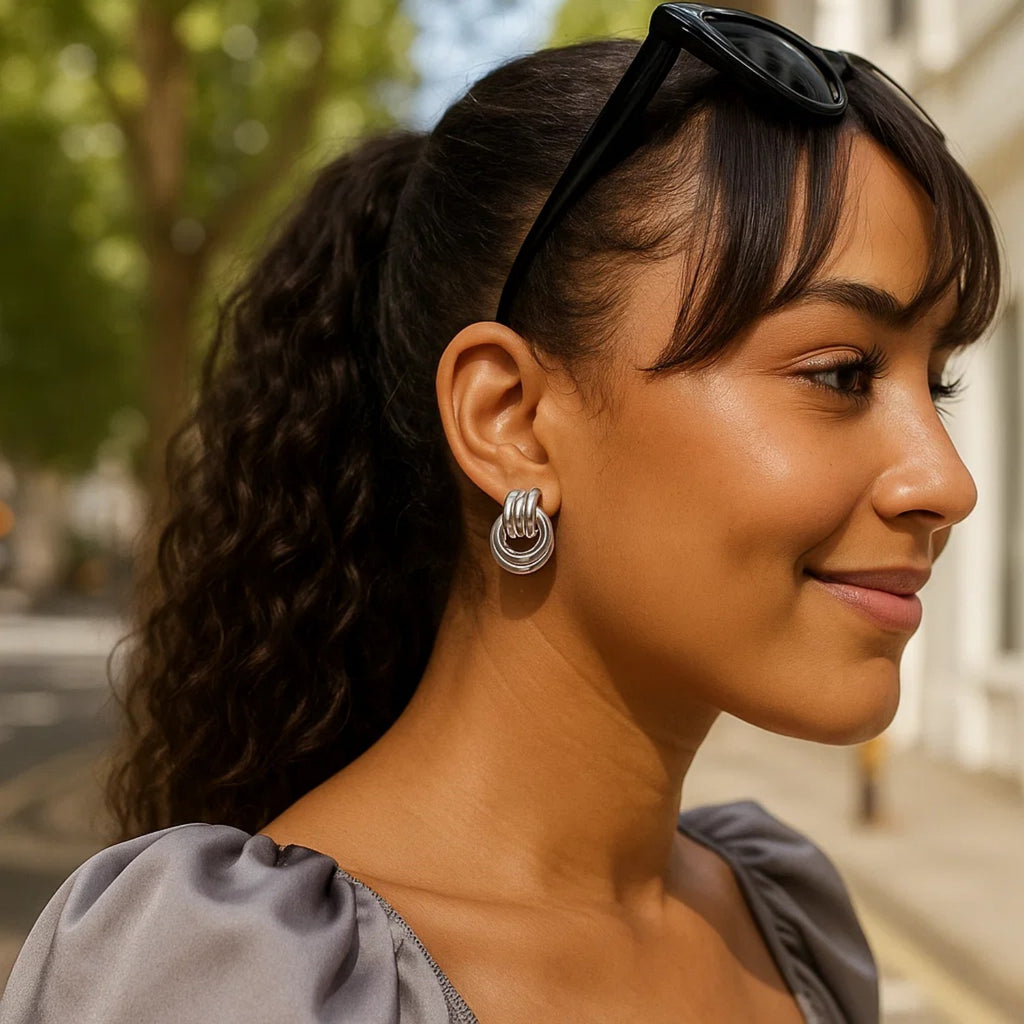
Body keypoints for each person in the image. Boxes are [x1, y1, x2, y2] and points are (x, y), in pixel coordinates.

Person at [0, 4, 1002, 1022]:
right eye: (840, 372)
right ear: (510, 421)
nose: (946, 481)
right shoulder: (235, 981)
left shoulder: (786, 920)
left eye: (941, 387)